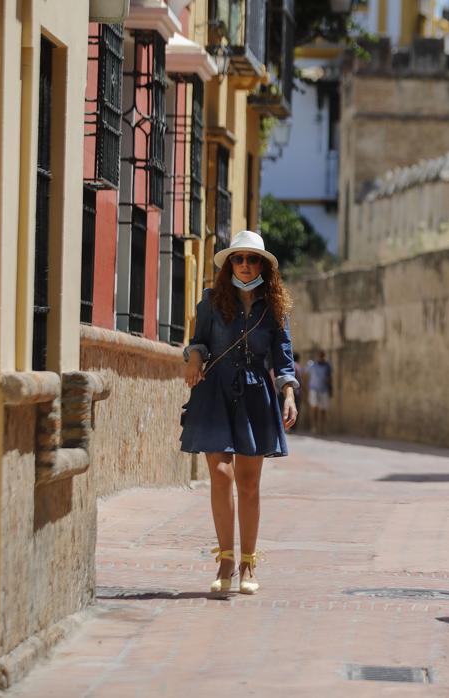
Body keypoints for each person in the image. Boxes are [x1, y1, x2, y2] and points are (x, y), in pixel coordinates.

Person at [181, 230, 299, 596]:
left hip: (254, 395)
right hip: (215, 391)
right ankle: (225, 561)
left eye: (251, 259)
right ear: (229, 263)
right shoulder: (211, 301)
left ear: (262, 265)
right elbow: (197, 341)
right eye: (238, 258)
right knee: (221, 476)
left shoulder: (274, 306)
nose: (245, 265)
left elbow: (283, 356)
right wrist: (195, 359)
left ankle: (248, 562)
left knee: (249, 484)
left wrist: (289, 394)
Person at [304, 350, 333, 434]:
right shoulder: (312, 365)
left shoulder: (328, 366)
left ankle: (323, 428)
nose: (321, 357)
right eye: (320, 356)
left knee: (323, 410)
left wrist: (331, 390)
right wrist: (305, 387)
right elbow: (305, 375)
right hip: (314, 390)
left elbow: (330, 378)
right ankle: (314, 427)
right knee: (314, 409)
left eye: (322, 356)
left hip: (324, 390)